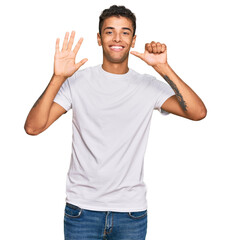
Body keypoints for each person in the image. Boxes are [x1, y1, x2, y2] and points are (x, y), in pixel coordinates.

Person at [24, 5, 207, 240]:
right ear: (99, 39)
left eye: (125, 32)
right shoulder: (77, 82)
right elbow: (33, 127)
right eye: (109, 32)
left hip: (130, 212)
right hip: (82, 210)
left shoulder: (147, 85)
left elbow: (198, 112)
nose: (117, 38)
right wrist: (58, 77)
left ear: (133, 40)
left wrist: (162, 67)